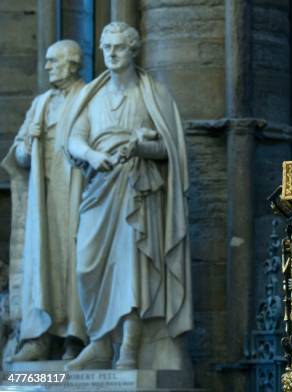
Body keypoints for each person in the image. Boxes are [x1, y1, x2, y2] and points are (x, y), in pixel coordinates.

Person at [64, 22, 192, 370]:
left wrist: (141, 146)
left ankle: (130, 347)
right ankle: (99, 343)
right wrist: (92, 156)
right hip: (99, 189)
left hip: (138, 190)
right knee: (86, 265)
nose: (111, 54)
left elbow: (171, 149)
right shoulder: (92, 95)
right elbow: (75, 138)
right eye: (106, 47)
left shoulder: (153, 94)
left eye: (119, 47)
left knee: (132, 268)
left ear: (134, 50)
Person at [1, 40, 87, 361]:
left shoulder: (89, 97)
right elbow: (20, 156)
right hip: (44, 197)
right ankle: (39, 337)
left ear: (73, 64)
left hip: (80, 193)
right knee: (42, 264)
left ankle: (76, 337)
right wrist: (31, 142)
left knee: (77, 261)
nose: (47, 66)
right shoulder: (40, 104)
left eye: (53, 61)